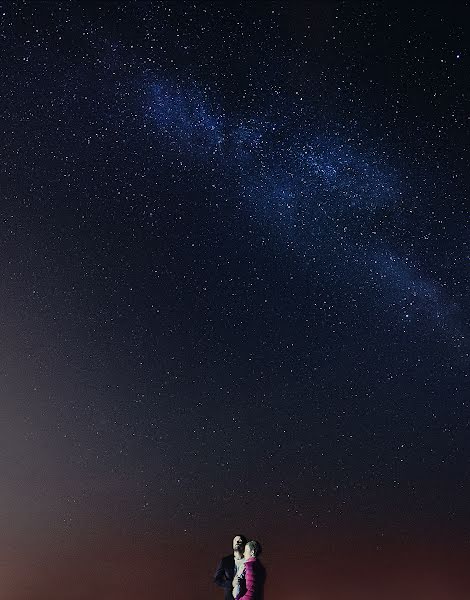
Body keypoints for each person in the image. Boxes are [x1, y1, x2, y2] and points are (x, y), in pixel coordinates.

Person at [214, 534, 247, 600]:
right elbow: (217, 579)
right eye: (235, 540)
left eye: (239, 541)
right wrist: (231, 583)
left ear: (244, 545)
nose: (237, 542)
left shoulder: (249, 561)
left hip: (246, 596)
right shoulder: (225, 561)